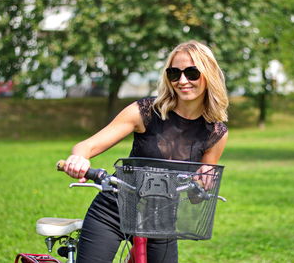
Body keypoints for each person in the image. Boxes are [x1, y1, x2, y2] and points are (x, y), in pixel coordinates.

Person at [62, 40, 229, 263]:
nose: (182, 81)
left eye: (191, 73)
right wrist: (78, 159)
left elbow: (196, 196)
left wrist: (202, 183)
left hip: (161, 219)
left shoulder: (215, 132)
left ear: (208, 75)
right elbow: (86, 146)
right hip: (114, 210)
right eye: (174, 73)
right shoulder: (146, 112)